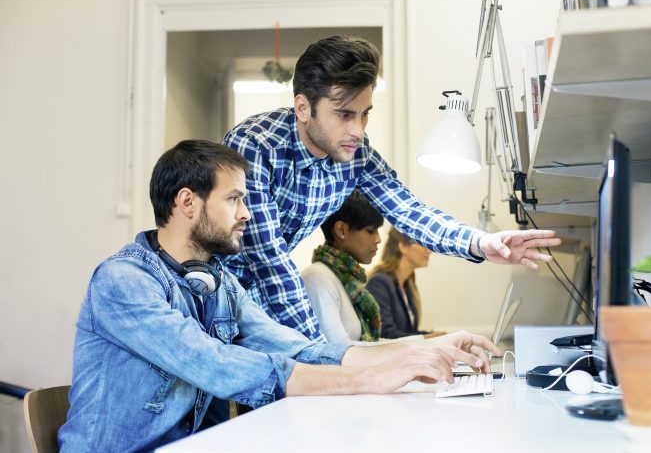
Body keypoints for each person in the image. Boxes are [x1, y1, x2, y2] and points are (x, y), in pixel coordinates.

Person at [58, 140, 501, 452]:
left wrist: (423, 349)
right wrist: (372, 379)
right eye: (234, 199)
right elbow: (218, 364)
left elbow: (305, 351)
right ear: (187, 202)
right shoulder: (124, 281)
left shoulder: (220, 283)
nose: (246, 214)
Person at [222, 35, 560, 341]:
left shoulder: (355, 154)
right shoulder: (255, 146)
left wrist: (480, 243)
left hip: (254, 302)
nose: (358, 130)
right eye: (344, 115)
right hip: (203, 294)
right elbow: (270, 261)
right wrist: (331, 357)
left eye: (365, 114)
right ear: (303, 108)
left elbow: (409, 211)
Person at [302, 191, 384, 344]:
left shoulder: (348, 281)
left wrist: (421, 342)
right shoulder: (318, 278)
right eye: (371, 231)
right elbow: (339, 350)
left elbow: (366, 346)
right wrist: (415, 346)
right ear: (341, 230)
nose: (378, 239)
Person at [368, 227, 435, 339]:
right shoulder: (379, 283)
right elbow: (386, 334)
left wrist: (437, 336)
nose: (429, 250)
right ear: (403, 246)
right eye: (422, 243)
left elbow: (409, 332)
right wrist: (430, 338)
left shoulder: (407, 284)